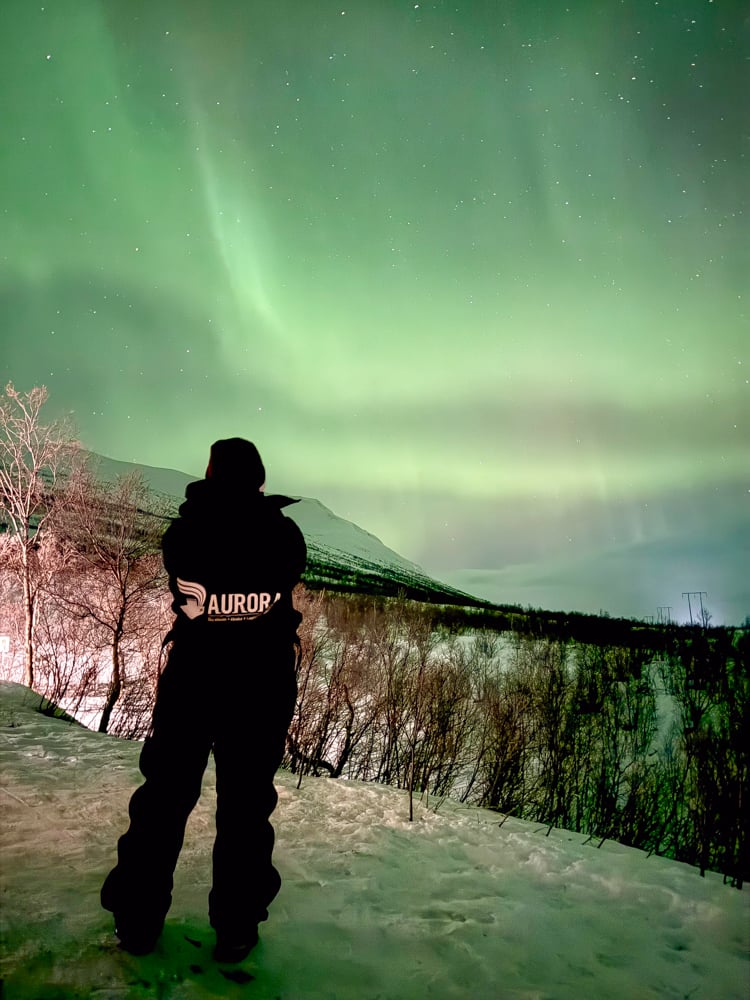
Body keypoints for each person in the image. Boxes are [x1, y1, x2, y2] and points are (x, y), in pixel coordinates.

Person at [101, 438, 306, 962]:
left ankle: (137, 920)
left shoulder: (187, 530)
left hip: (193, 682)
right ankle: (236, 928)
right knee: (245, 808)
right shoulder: (284, 535)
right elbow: (287, 570)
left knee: (163, 800)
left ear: (211, 475)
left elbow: (184, 566)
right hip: (261, 689)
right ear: (259, 480)